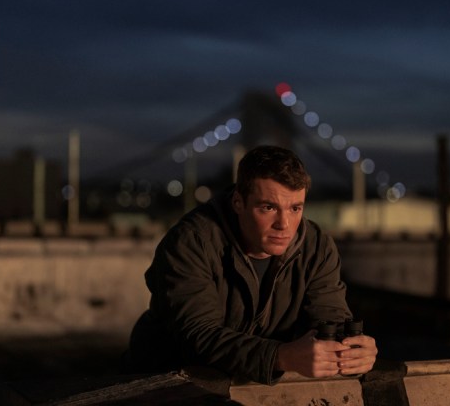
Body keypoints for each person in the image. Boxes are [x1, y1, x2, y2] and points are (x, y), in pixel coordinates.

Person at [124, 145, 377, 385]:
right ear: (238, 202)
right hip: (164, 381)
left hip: (254, 382)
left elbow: (328, 317)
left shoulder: (317, 246)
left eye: (295, 208)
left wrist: (349, 350)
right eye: (268, 207)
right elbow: (198, 336)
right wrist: (282, 356)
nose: (284, 224)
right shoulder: (191, 242)